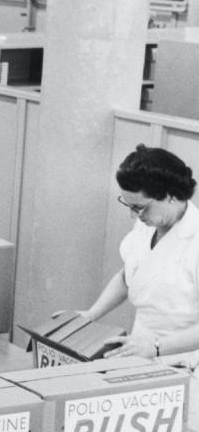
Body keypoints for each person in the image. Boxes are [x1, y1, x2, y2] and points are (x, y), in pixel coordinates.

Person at [65, 144, 199, 366]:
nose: (134, 216)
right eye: (129, 206)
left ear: (171, 196)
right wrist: (90, 315)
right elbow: (128, 276)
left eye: (140, 207)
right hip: (138, 351)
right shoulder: (147, 225)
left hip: (184, 361)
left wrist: (156, 348)